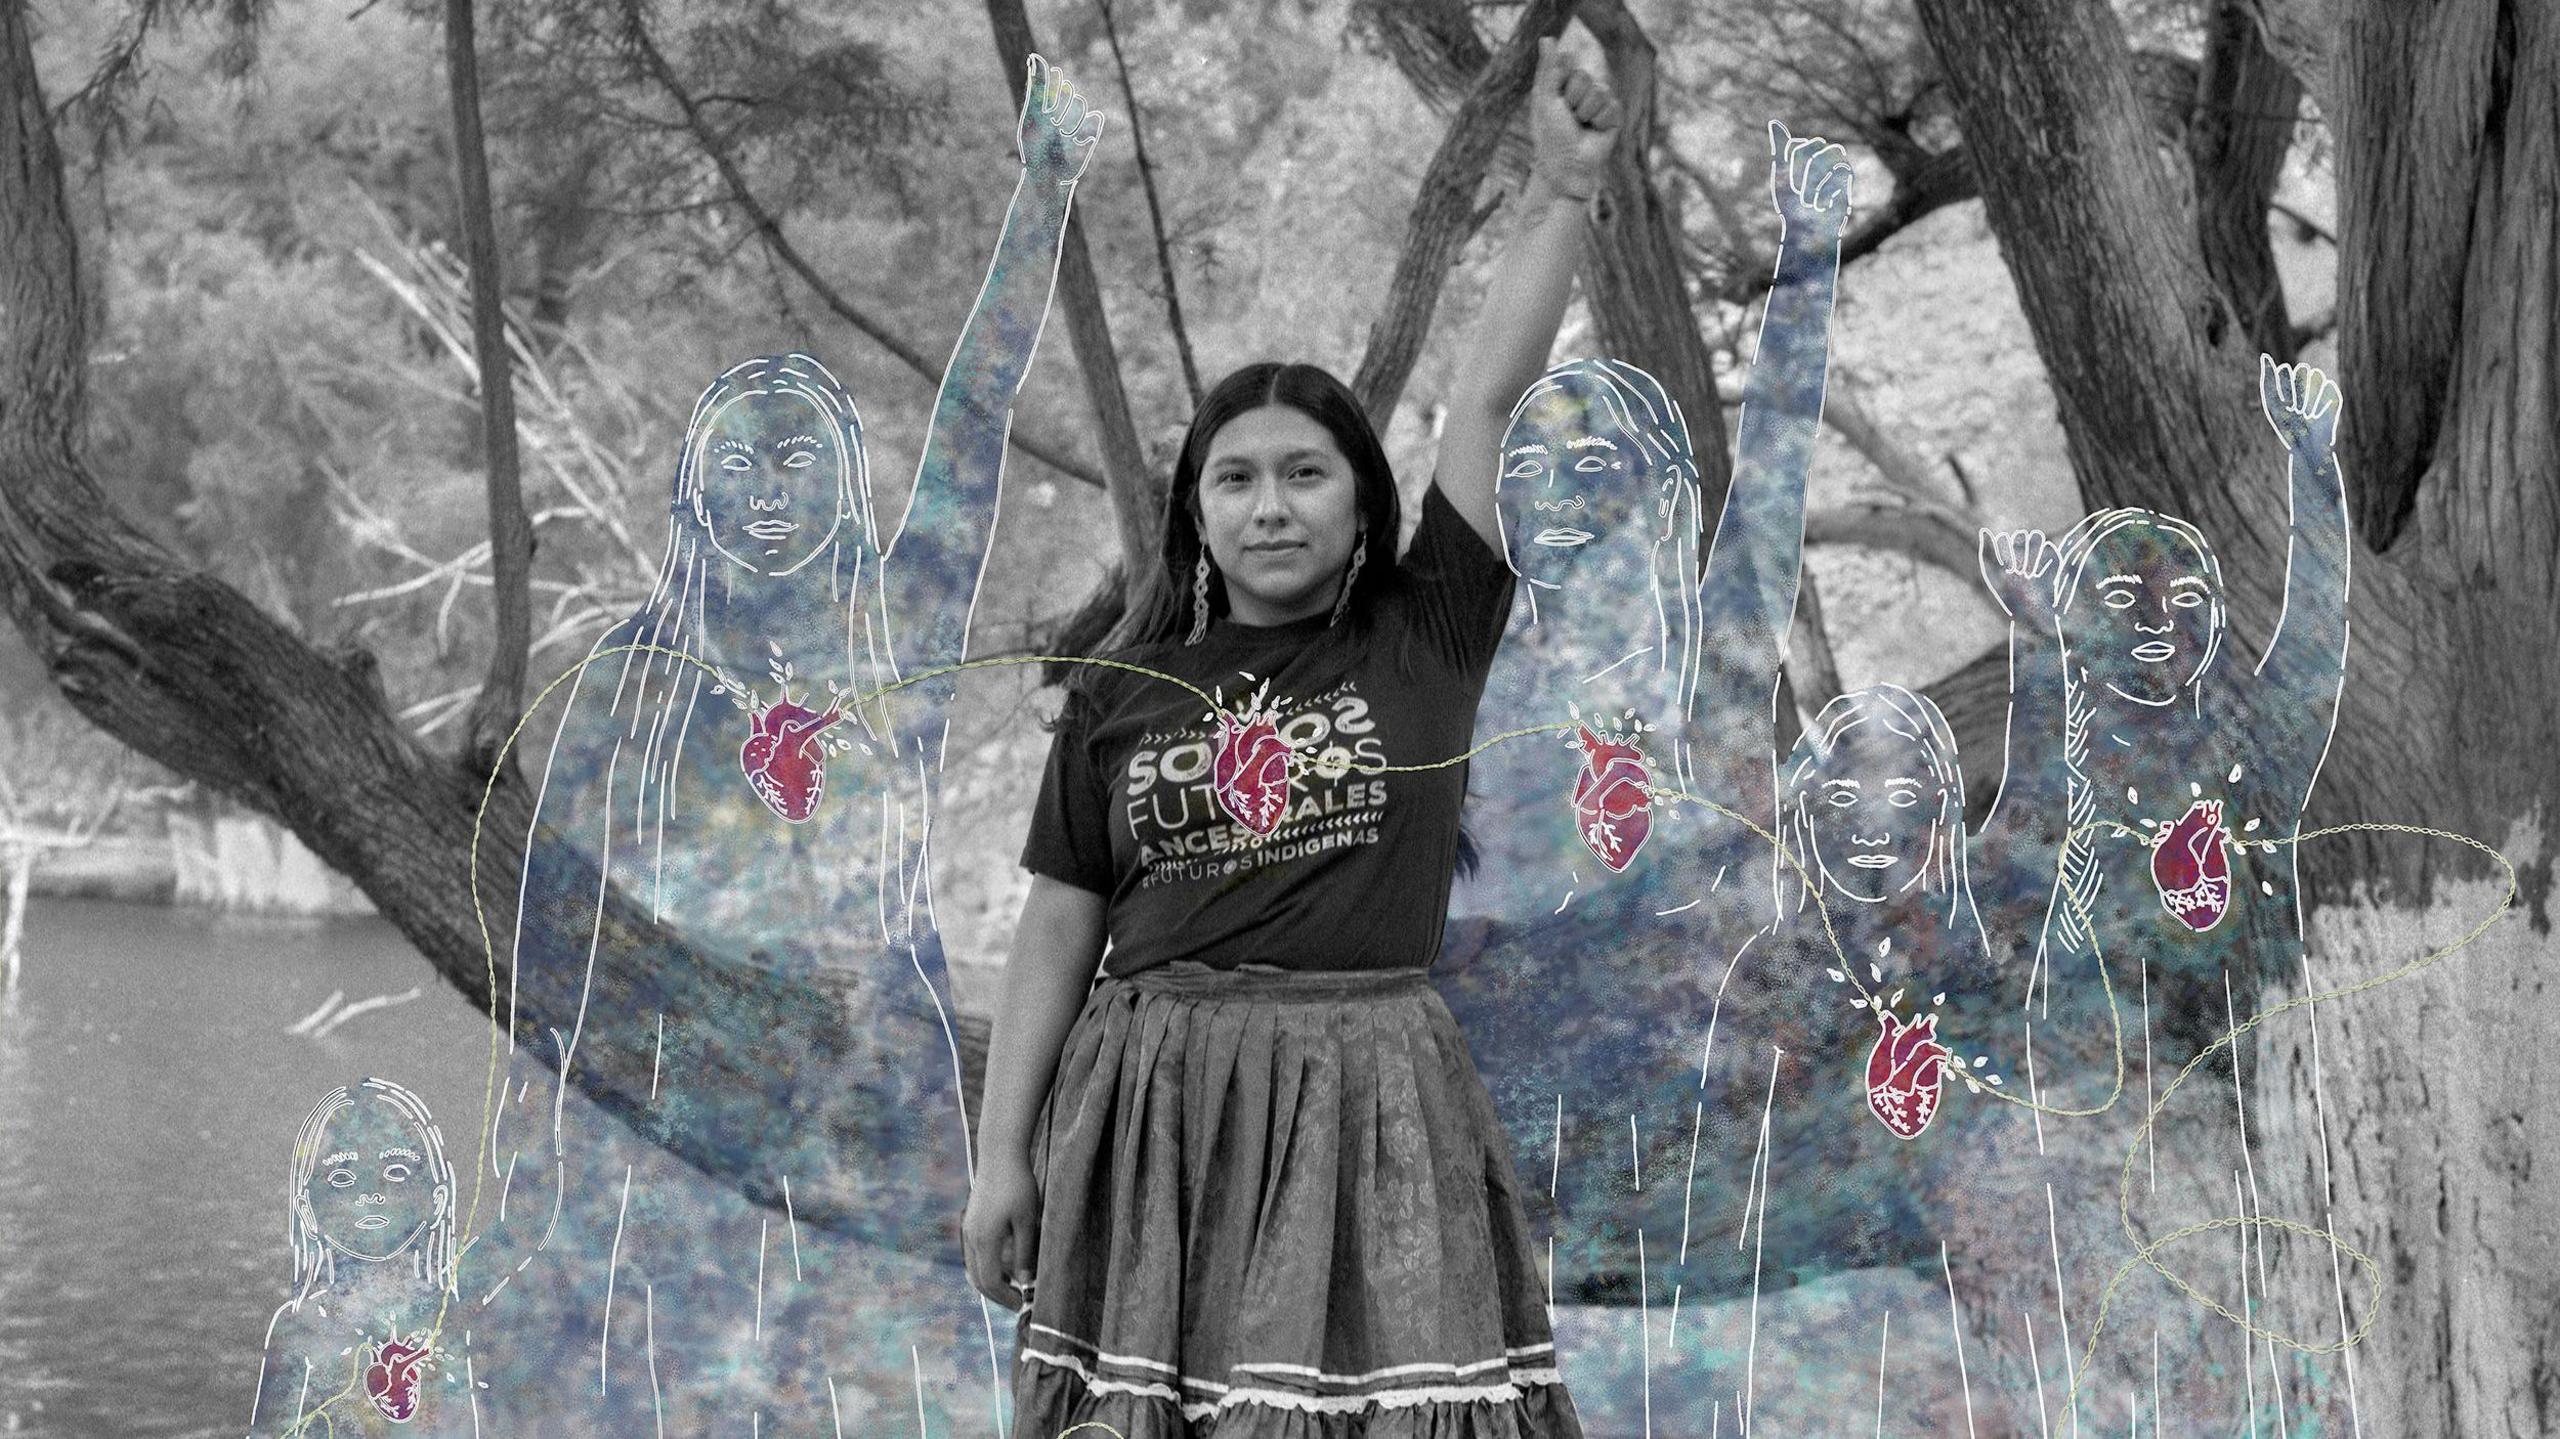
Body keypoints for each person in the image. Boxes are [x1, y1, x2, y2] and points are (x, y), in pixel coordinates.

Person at [964, 37, 1619, 1437]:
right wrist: (999, 1154)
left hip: (1373, 1096)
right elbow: (1057, 927)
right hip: (1155, 1112)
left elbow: (1487, 399)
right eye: (1237, 477)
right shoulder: (1122, 687)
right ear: (1196, 508)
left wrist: (1563, 192)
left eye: (1306, 473)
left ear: (1362, 500)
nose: (1271, 504)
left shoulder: (1425, 630)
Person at [468, 57, 1104, 1434]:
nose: (771, 496)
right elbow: (572, 924)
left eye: (800, 464)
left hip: (878, 1083)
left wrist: (1044, 199)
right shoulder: (635, 678)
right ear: (697, 491)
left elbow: (975, 426)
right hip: (695, 1085)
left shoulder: (900, 633)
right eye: (741, 467)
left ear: (844, 490)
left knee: (886, 1386)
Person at [247, 1078, 468, 1437]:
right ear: (307, 1208)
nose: (370, 1194)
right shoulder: (300, 1323)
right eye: (342, 1177)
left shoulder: (457, 1317)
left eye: (396, 1172)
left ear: (437, 1197)